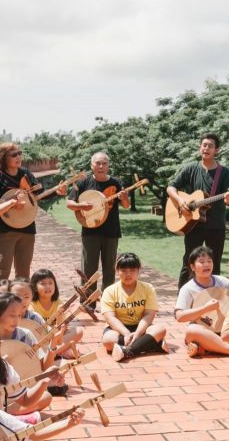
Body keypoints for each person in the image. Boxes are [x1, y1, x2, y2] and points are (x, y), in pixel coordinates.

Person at [166, 133, 229, 288]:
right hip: (193, 224)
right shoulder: (191, 168)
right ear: (200, 148)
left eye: (210, 146)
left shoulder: (224, 173)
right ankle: (183, 299)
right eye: (204, 145)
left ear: (217, 150)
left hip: (216, 225)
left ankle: (213, 299)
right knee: (189, 262)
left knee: (214, 264)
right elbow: (171, 187)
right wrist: (180, 200)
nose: (206, 148)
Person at [0, 142, 45, 289]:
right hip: (5, 230)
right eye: (14, 154)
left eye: (20, 153)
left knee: (23, 273)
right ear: (4, 157)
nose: (18, 157)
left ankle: (21, 308)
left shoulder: (25, 173)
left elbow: (38, 194)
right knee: (3, 272)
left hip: (27, 228)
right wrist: (12, 201)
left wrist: (57, 191)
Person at [67, 151, 130, 290]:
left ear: (108, 166)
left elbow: (126, 205)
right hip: (90, 231)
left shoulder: (116, 182)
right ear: (92, 165)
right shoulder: (83, 182)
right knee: (89, 268)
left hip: (111, 231)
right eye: (98, 163)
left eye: (104, 163)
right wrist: (81, 206)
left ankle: (107, 301)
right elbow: (69, 203)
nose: (101, 166)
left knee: (109, 270)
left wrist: (124, 197)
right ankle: (87, 302)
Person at [174, 245, 229, 357]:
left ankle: (208, 347)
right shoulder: (188, 288)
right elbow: (179, 316)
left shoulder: (222, 281)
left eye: (209, 261)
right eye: (201, 261)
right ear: (192, 267)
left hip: (225, 328)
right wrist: (205, 309)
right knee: (192, 331)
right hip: (204, 330)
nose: (206, 264)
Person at [100, 253, 168, 361]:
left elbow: (149, 315)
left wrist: (138, 333)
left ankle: (128, 351)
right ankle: (150, 344)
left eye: (132, 270)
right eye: (124, 270)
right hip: (118, 329)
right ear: (117, 270)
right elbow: (110, 318)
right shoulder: (109, 291)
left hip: (141, 326)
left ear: (138, 270)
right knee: (108, 341)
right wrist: (126, 333)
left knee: (160, 329)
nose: (128, 274)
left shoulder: (148, 288)